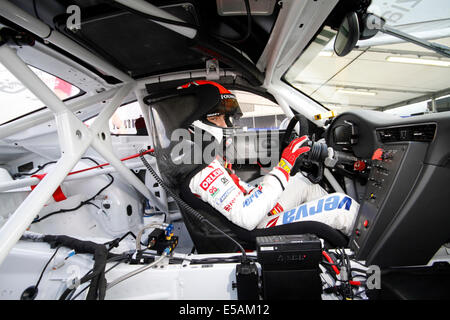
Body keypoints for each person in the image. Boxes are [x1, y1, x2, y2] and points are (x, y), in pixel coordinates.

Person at [181, 81, 359, 235]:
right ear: (198, 120)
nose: (228, 125)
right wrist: (284, 166)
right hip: (255, 228)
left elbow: (241, 193)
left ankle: (329, 233)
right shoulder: (202, 169)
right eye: (220, 118)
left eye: (229, 118)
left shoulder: (205, 157)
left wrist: (267, 187)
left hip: (256, 211)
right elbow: (247, 217)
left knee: (301, 183)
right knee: (343, 206)